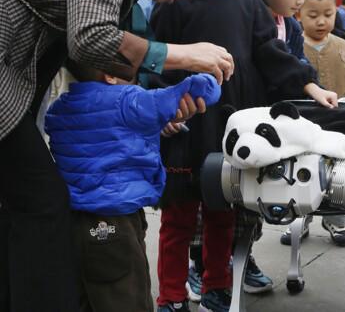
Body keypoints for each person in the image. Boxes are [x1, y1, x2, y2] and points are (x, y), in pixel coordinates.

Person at [0, 0, 234, 310]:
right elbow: (89, 37)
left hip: (11, 80)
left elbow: (87, 55)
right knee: (41, 202)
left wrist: (151, 109)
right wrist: (183, 53)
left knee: (24, 202)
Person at [152, 0, 337, 311]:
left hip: (233, 132)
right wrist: (159, 111)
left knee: (223, 213)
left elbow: (273, 56)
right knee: (178, 219)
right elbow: (156, 63)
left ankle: (219, 288)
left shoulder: (250, 6)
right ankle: (171, 296)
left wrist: (310, 85)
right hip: (184, 131)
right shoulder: (175, 3)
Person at [45, 61, 220, 312]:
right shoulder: (127, 100)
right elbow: (193, 92)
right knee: (128, 296)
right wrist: (211, 76)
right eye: (129, 67)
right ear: (111, 76)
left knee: (87, 298)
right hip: (116, 221)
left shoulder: (59, 108)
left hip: (75, 223)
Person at [291, 0, 345, 246]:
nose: (321, 22)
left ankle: (336, 220)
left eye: (328, 14)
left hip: (339, 123)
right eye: (313, 15)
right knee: (302, 170)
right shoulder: (293, 46)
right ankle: (299, 219)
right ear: (298, 14)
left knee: (338, 175)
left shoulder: (344, 47)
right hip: (303, 126)